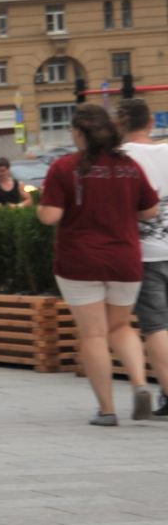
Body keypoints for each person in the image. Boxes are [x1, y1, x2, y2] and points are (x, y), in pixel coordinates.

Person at [41, 104, 159, 425]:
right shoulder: (129, 166)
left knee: (93, 335)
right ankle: (139, 385)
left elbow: (50, 216)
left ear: (79, 133)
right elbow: (149, 211)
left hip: (80, 261)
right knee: (121, 326)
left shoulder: (64, 168)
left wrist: (44, 206)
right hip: (125, 259)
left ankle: (107, 410)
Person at [114, 100, 168, 418]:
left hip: (145, 253)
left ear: (121, 125)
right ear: (150, 121)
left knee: (157, 326)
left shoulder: (122, 159)